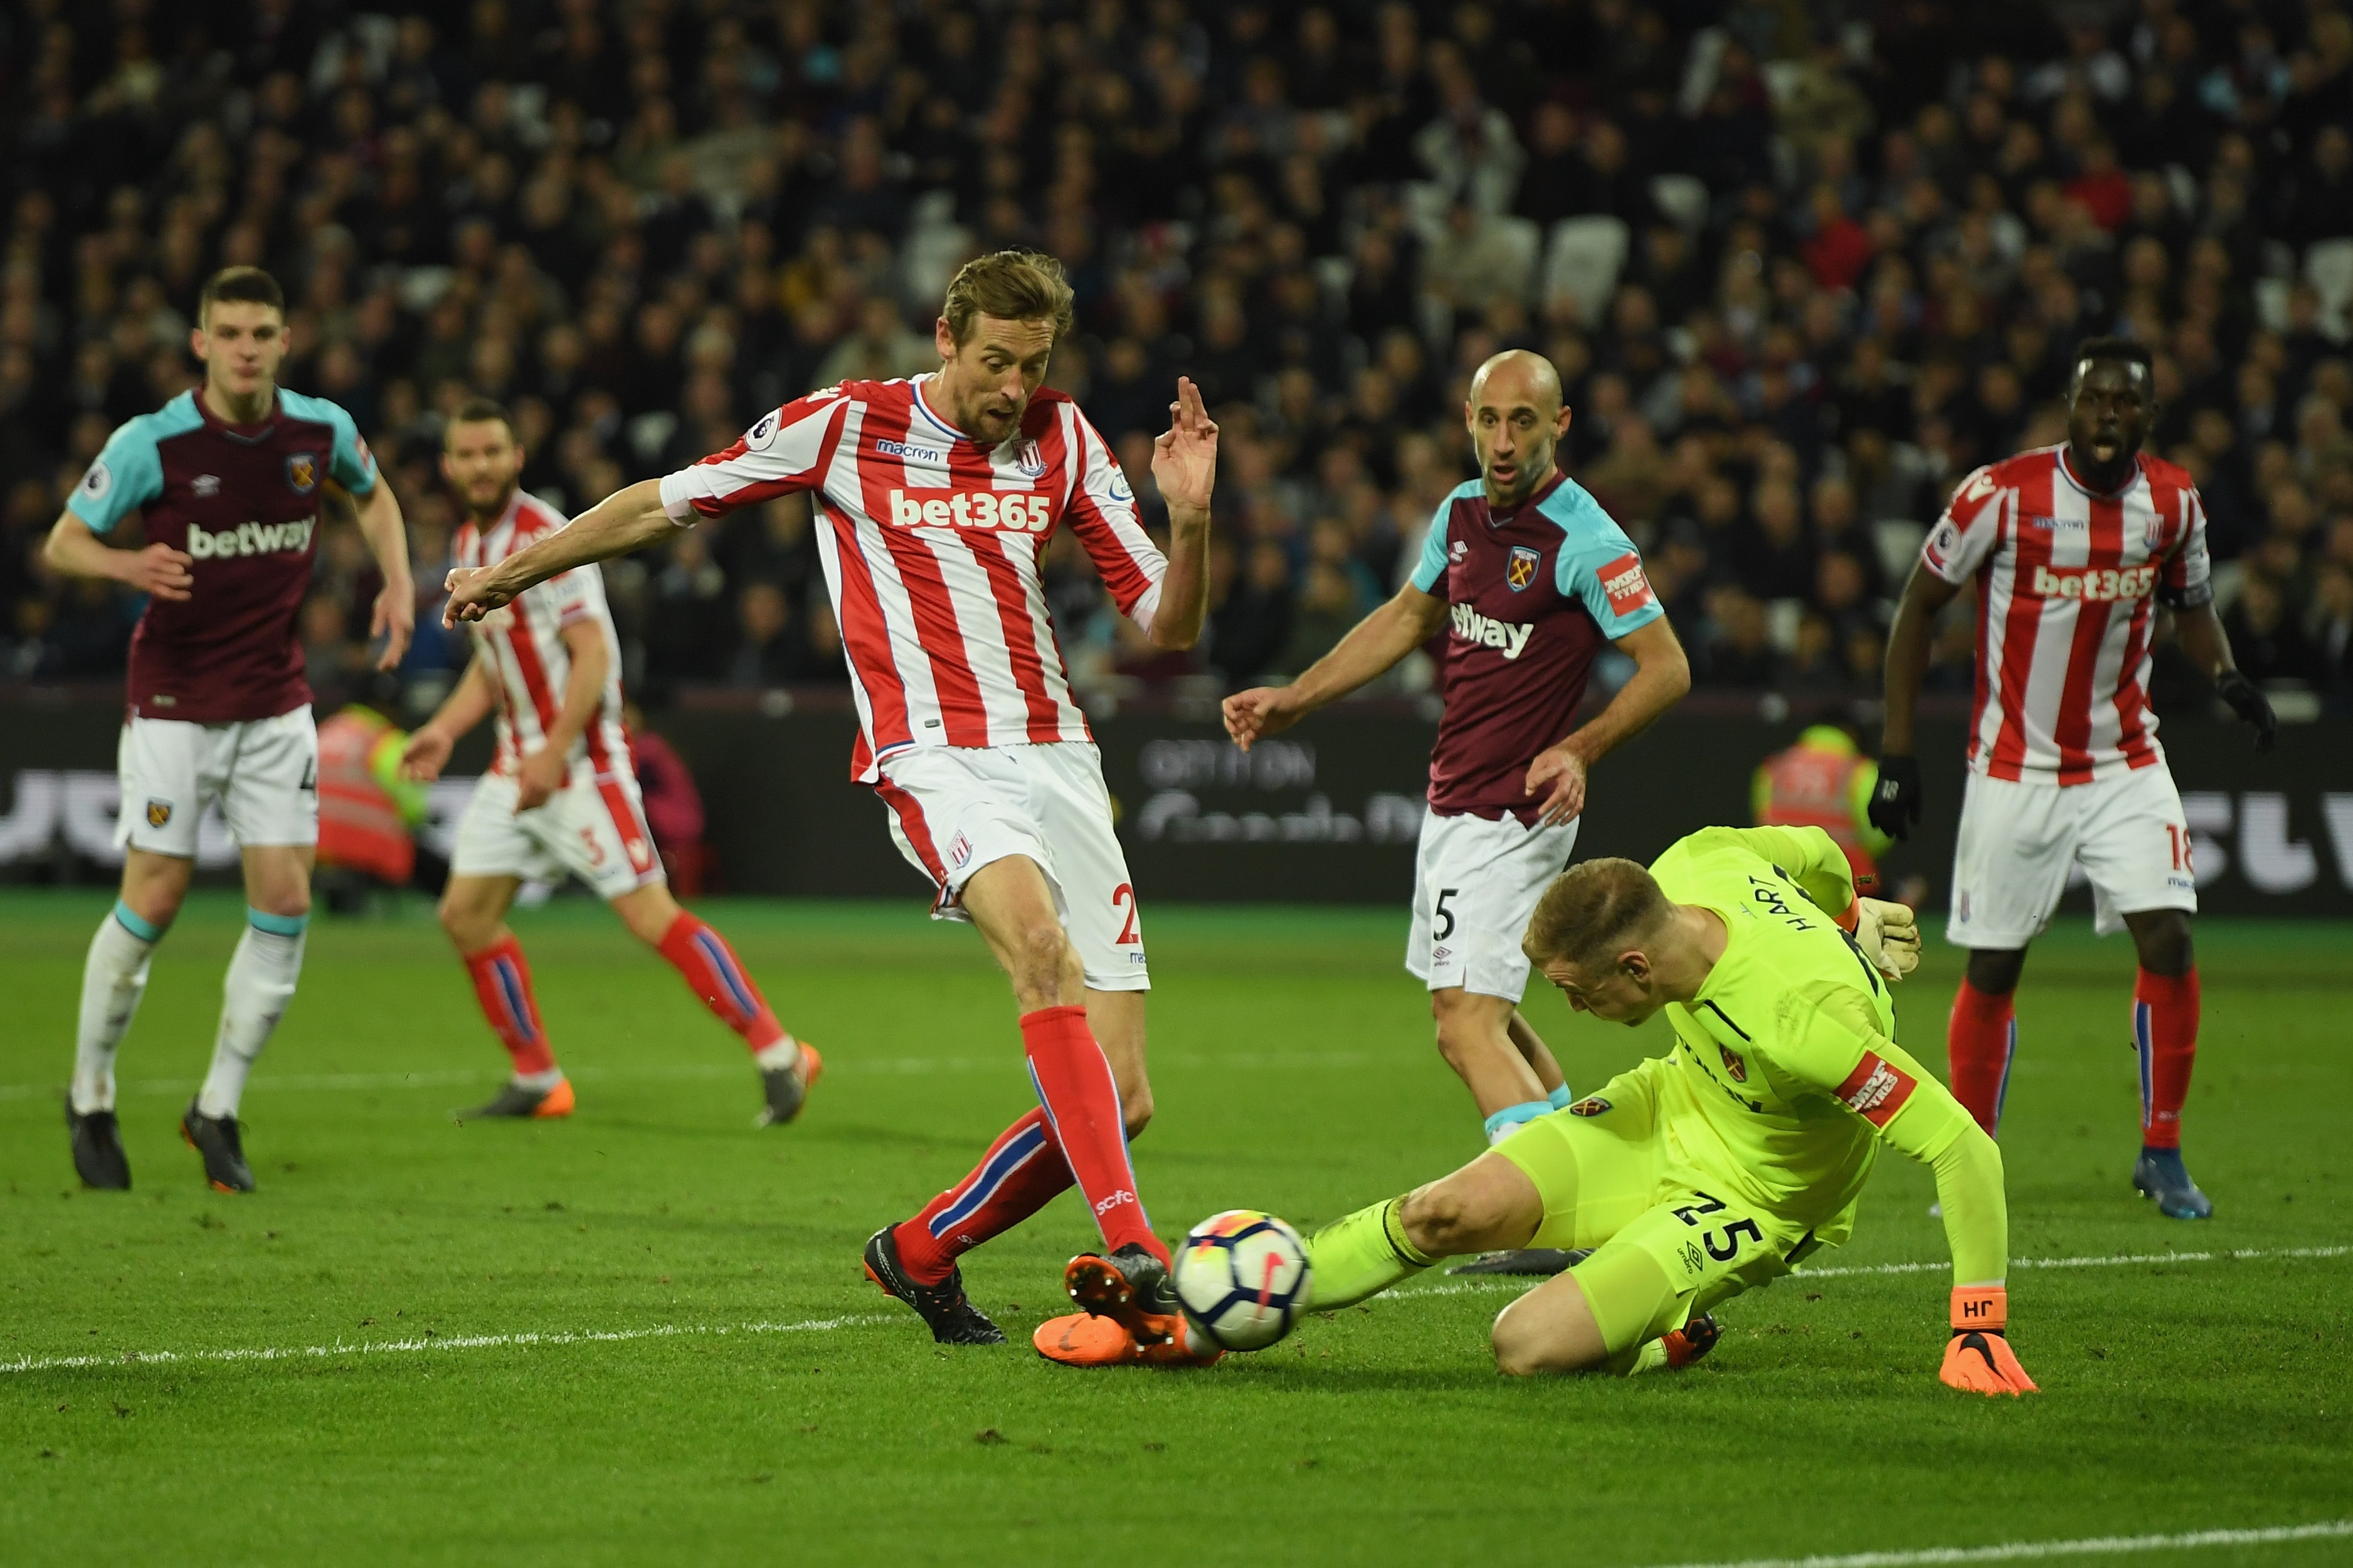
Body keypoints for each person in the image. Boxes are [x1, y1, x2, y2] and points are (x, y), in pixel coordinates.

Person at [440, 252, 1219, 1359]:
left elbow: (1169, 626)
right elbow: (666, 504)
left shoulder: (1064, 437)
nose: (1011, 387)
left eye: (1032, 364)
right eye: (994, 361)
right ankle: (1135, 1248)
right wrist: (518, 569)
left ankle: (920, 1247)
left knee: (1124, 1096)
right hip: (933, 755)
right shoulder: (844, 426)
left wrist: (1189, 521)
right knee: (1038, 953)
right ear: (943, 341)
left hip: (1060, 759)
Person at [1133, 826, 2034, 1397]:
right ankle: (1211, 1318)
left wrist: (1977, 1325)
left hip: (1752, 1197)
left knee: (1523, 1345)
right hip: (1665, 1105)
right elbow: (1816, 852)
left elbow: (1961, 1145)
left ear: (1635, 969)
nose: (1567, 1009)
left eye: (1575, 989)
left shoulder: (1803, 1025)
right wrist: (1846, 912)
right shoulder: (1699, 857)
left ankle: (1664, 1337)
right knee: (1445, 1212)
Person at [1223, 350, 1690, 1279]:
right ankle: (1586, 1197)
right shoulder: (1459, 517)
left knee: (1462, 1023)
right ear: (1468, 420)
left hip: (1513, 815)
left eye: (1524, 422)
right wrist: (1300, 698)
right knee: (1494, 1013)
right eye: (1489, 420)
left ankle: (1548, 1222)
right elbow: (1406, 618)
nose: (1504, 440)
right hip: (1455, 803)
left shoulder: (1586, 539)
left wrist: (1581, 747)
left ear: (1560, 427)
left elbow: (1668, 666)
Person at [1871, 337, 2277, 1221]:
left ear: (2148, 416)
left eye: (2125, 404)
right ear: (2070, 403)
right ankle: (1973, 1157)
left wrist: (2226, 678)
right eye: (2095, 400)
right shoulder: (2000, 495)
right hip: (2015, 767)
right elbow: (1917, 611)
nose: (2107, 417)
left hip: (2127, 761)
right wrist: (1898, 752)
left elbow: (2195, 611)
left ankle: (2162, 1151)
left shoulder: (2173, 504)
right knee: (1994, 964)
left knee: (2168, 937)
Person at [45, 265, 415, 1194]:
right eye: (230, 332)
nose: (247, 348)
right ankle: (90, 1096)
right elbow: (62, 541)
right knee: (158, 897)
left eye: (263, 332)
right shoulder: (153, 443)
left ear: (285, 341)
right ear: (202, 344)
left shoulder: (318, 430)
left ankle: (216, 1108)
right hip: (172, 703)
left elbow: (373, 494)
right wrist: (129, 566)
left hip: (274, 704)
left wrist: (400, 581)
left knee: (286, 901)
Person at [399, 399, 817, 1125]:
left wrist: (555, 752)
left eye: (492, 451)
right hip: (516, 767)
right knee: (466, 914)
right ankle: (538, 1078)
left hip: (581, 767)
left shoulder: (546, 538)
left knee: (651, 915)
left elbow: (592, 652)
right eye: (465, 455)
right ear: (447, 465)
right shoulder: (475, 537)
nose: (479, 466)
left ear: (517, 455)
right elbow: (493, 661)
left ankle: (780, 1051)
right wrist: (442, 729)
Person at [1751, 723, 1893, 895]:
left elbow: (1761, 817)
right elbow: (1880, 833)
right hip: (1848, 883)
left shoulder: (1775, 766)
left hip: (1779, 880)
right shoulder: (1861, 770)